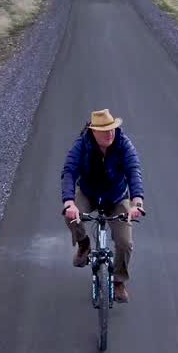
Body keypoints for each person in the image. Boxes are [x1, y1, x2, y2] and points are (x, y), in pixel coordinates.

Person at [61, 109, 145, 302]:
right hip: (89, 193)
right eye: (105, 130)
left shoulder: (123, 144)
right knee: (70, 216)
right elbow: (69, 172)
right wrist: (69, 202)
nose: (110, 133)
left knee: (125, 243)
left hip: (116, 196)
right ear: (93, 131)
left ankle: (119, 281)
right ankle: (84, 244)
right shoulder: (81, 145)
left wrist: (137, 203)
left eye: (113, 129)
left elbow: (134, 171)